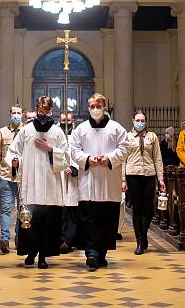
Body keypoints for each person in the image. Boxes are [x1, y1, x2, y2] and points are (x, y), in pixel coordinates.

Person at [5, 96, 67, 269]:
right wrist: (15, 160)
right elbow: (13, 150)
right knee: (31, 220)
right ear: (36, 108)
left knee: (48, 222)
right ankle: (31, 252)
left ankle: (43, 256)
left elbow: (66, 156)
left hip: (50, 184)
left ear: (51, 111)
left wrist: (50, 150)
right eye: (40, 111)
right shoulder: (26, 130)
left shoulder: (57, 132)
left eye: (46, 111)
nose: (43, 114)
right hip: (31, 183)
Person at [69, 93, 128, 270]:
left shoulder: (116, 128)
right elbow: (73, 150)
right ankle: (91, 253)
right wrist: (87, 159)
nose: (95, 109)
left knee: (106, 219)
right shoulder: (81, 129)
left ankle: (101, 253)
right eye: (92, 106)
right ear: (88, 108)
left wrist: (109, 158)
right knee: (88, 218)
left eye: (98, 105)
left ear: (104, 108)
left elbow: (125, 148)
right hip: (88, 180)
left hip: (109, 181)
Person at [121, 110, 166, 255]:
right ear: (132, 121)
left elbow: (157, 158)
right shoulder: (127, 137)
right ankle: (140, 241)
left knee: (148, 209)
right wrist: (123, 180)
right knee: (137, 208)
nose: (140, 123)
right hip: (133, 174)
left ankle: (144, 234)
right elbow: (123, 160)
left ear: (146, 121)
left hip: (148, 174)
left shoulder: (152, 137)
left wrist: (161, 178)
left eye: (142, 120)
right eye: (137, 120)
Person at [0, 105, 24, 254]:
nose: (16, 115)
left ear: (23, 114)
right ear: (10, 114)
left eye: (18, 113)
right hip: (6, 176)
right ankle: (5, 239)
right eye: (14, 113)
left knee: (23, 209)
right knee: (5, 209)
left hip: (22, 177)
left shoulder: (26, 132)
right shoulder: (2, 133)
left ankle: (20, 238)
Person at [59, 111, 80, 253]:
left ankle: (70, 240)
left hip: (73, 178)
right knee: (60, 211)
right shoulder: (55, 134)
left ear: (73, 121)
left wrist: (73, 168)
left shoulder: (78, 135)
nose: (65, 123)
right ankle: (61, 239)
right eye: (62, 120)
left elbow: (80, 154)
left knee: (72, 210)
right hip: (58, 176)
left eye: (68, 120)